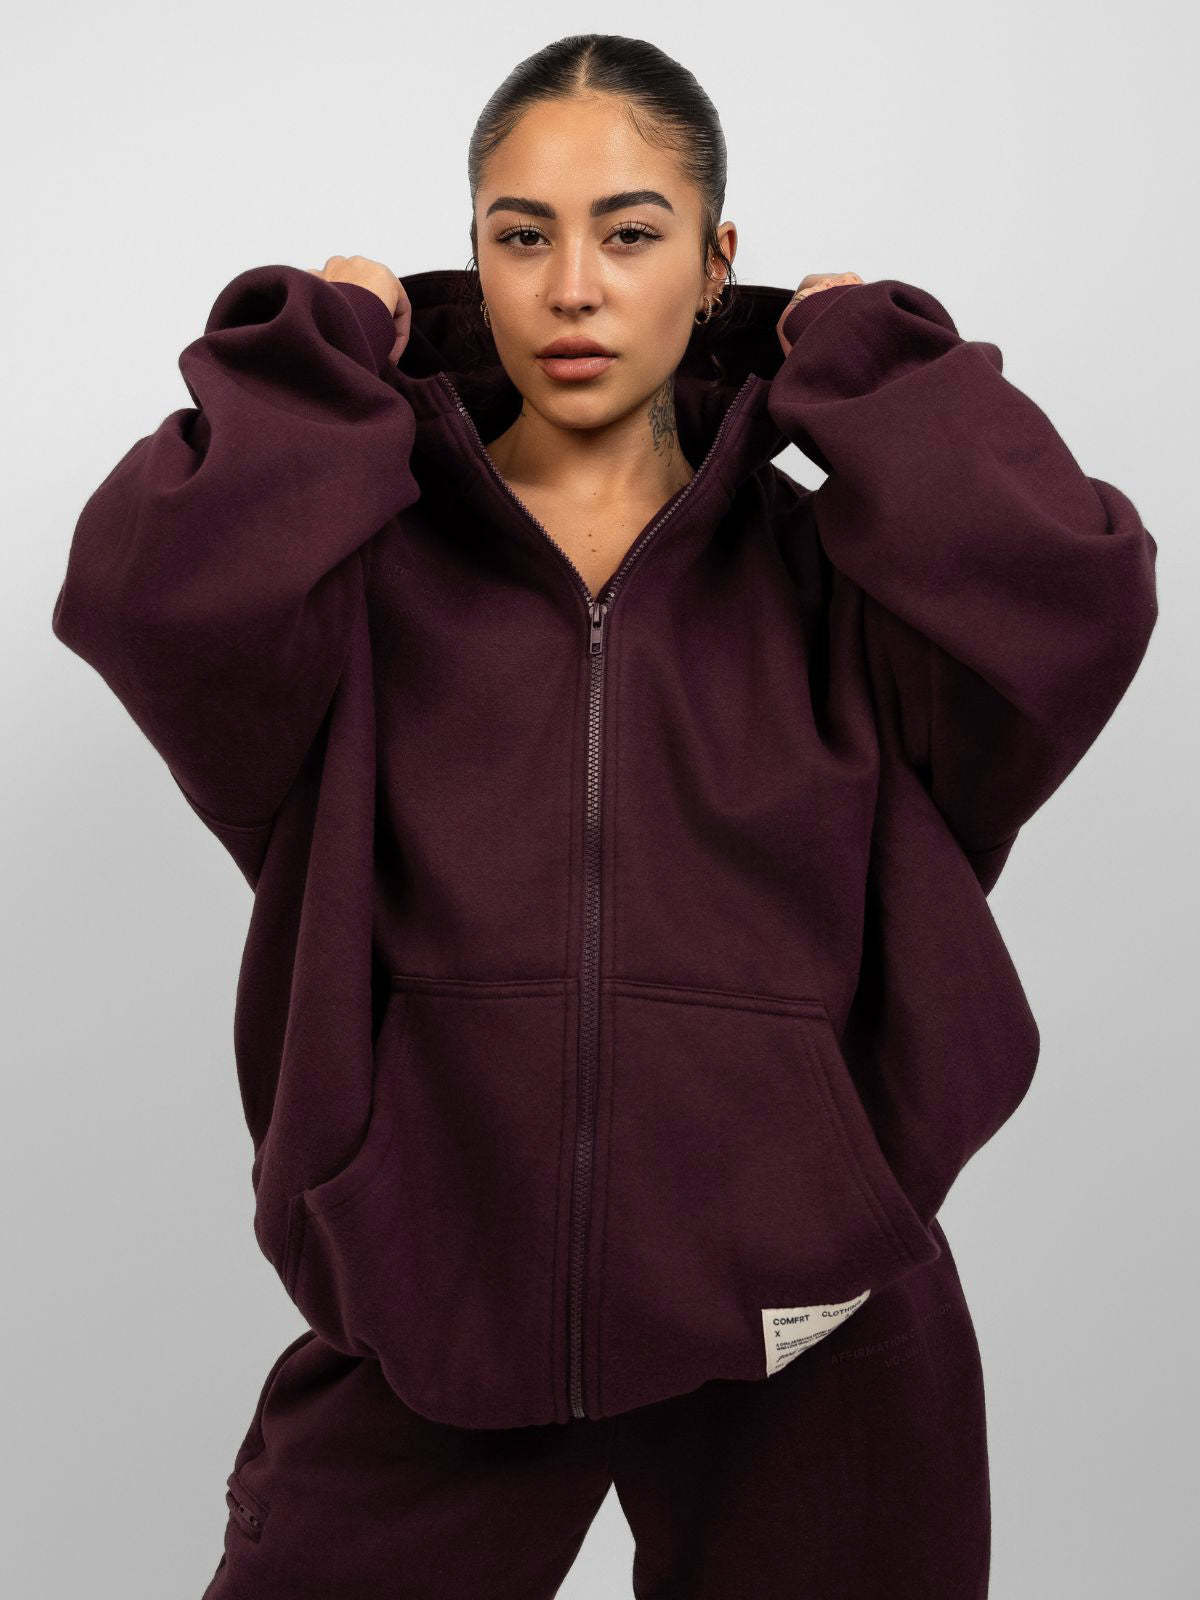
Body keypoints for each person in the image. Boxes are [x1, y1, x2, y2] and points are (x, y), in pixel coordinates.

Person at [50, 31, 1158, 1600]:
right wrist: (328, 351)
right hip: (440, 1295)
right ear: (475, 263)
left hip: (815, 1322)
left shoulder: (841, 586)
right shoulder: (355, 584)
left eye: (630, 234)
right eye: (524, 236)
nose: (573, 288)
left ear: (715, 265)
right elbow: (148, 595)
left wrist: (868, 357)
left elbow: (1073, 592)